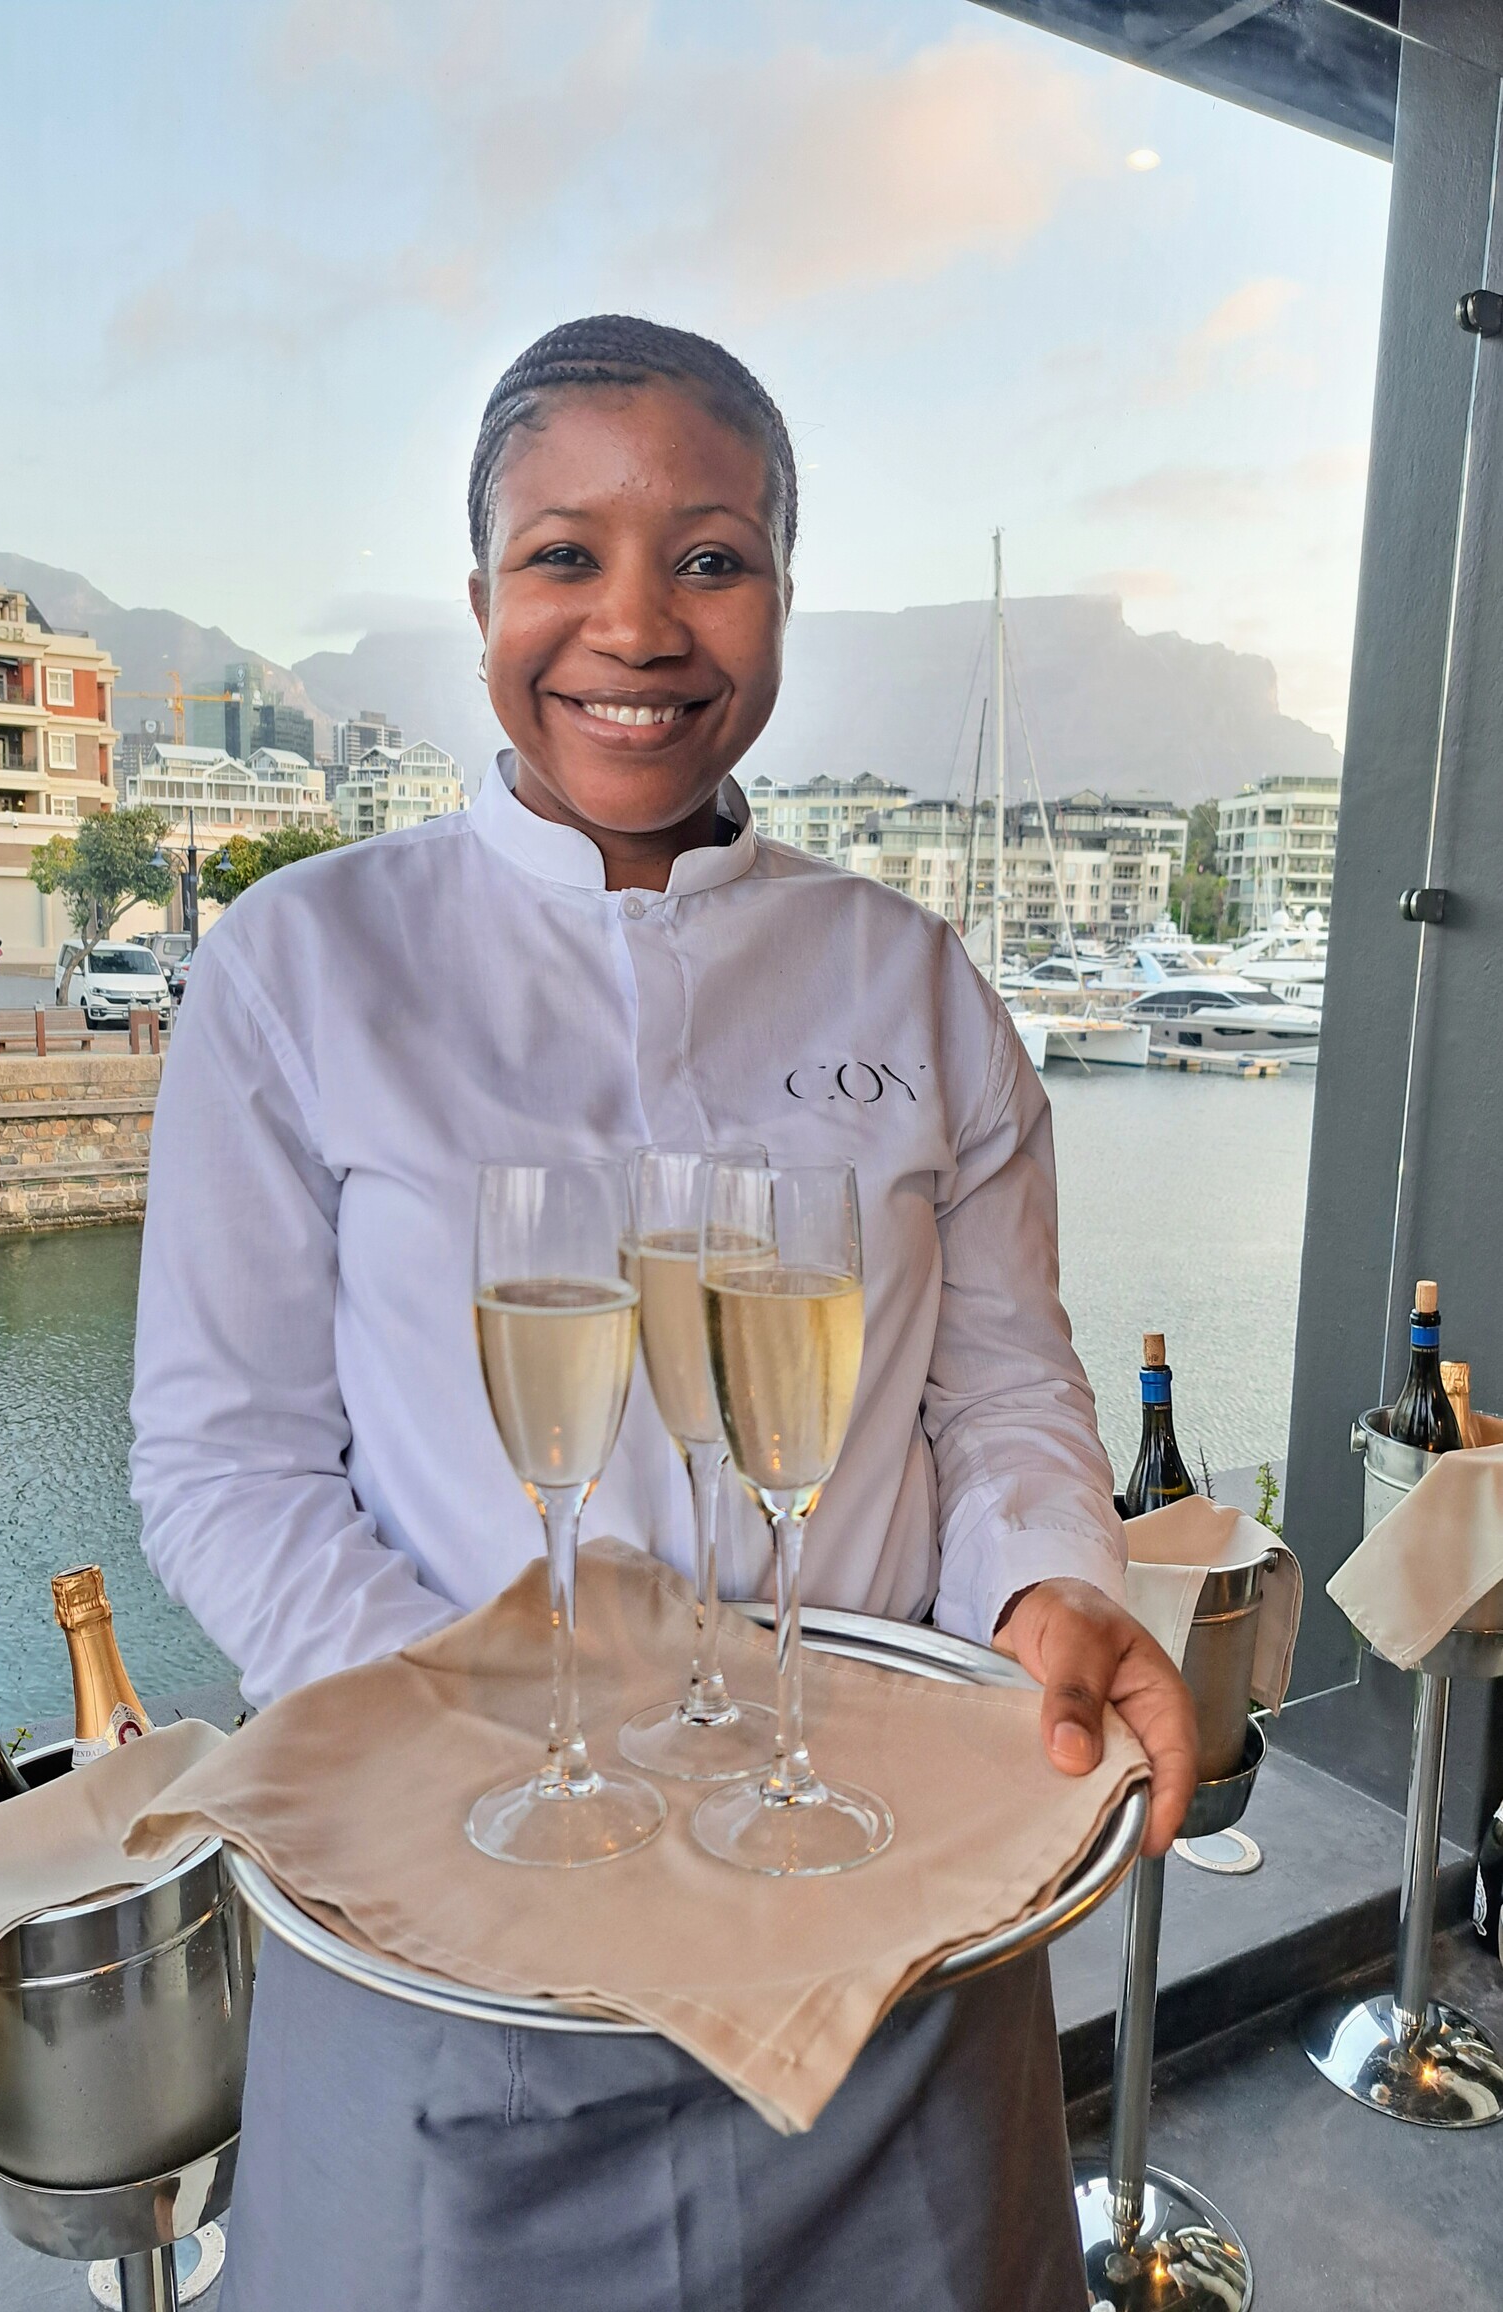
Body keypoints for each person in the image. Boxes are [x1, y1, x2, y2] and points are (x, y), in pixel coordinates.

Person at [130, 316, 1197, 2312]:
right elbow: (226, 1462)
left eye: (710, 557)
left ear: (780, 593)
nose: (635, 625)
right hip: (460, 1947)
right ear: (478, 597)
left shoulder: (913, 978)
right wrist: (463, 1736)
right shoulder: (301, 964)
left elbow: (1001, 1389)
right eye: (564, 554)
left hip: (872, 1921)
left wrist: (1051, 1585)